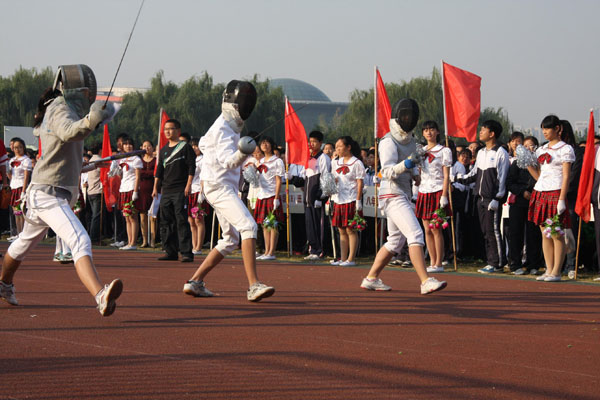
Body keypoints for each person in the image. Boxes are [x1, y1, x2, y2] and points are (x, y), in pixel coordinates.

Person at [0, 66, 122, 316]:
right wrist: (91, 119)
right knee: (79, 239)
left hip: (47, 191)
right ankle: (100, 295)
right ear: (77, 90)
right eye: (87, 91)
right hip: (48, 193)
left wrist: (88, 164)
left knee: (23, 243)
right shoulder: (59, 108)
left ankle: (3, 283)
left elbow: (61, 153)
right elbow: (68, 133)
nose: (89, 96)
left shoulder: (62, 109)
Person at [183, 80, 275, 302]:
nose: (246, 106)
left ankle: (195, 281)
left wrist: (242, 154)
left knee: (230, 239)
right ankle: (253, 285)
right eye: (244, 102)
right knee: (249, 226)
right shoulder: (223, 128)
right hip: (219, 186)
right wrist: (244, 152)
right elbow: (227, 162)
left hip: (220, 185)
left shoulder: (225, 125)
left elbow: (206, 146)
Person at [360, 98, 447, 294]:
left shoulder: (411, 140)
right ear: (398, 117)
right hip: (392, 194)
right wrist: (407, 164)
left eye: (411, 116)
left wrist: (415, 173)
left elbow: (412, 163)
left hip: (403, 193)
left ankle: (371, 278)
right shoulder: (388, 141)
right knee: (415, 234)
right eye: (405, 116)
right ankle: (425, 281)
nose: (408, 119)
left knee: (394, 241)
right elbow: (387, 171)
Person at [455, 120, 509, 274]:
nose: (481, 132)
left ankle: (498, 263)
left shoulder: (500, 153)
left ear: (492, 134)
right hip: (479, 198)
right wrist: (458, 178)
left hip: (492, 199)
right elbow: (474, 174)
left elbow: (502, 178)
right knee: (485, 231)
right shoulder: (481, 153)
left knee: (493, 231)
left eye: (484, 129)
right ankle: (490, 260)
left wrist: (497, 198)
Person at [526, 115, 575, 282]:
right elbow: (538, 174)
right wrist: (527, 163)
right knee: (544, 232)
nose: (545, 132)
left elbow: (566, 175)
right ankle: (548, 269)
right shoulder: (541, 149)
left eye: (547, 128)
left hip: (556, 192)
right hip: (541, 191)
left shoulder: (565, 149)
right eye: (543, 129)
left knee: (556, 233)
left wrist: (562, 199)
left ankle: (556, 271)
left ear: (557, 129)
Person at [152, 119, 196, 262]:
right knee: (166, 221)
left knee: (181, 220)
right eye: (166, 129)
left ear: (178, 130)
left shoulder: (185, 147)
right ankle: (170, 251)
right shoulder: (163, 150)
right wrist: (155, 187)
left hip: (180, 189)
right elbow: (159, 171)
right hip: (166, 190)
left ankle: (186, 253)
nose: (168, 132)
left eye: (170, 129)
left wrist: (188, 185)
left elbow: (191, 167)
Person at [288, 131, 331, 260]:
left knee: (319, 225)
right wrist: (291, 178)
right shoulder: (307, 158)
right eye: (310, 141)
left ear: (320, 143)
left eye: (314, 142)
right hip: (307, 199)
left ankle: (320, 250)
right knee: (310, 225)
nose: (311, 144)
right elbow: (303, 180)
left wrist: (321, 196)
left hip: (317, 200)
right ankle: (313, 249)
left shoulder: (323, 158)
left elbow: (326, 179)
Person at [415, 121, 451, 273]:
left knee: (436, 228)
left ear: (437, 132)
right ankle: (431, 261)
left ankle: (439, 263)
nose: (429, 132)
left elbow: (446, 175)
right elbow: (418, 173)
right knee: (426, 229)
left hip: (437, 190)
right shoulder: (420, 151)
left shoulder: (444, 150)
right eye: (426, 130)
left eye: (431, 129)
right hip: (424, 191)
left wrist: (444, 195)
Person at [506, 136, 543, 275]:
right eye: (525, 146)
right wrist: (522, 192)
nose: (528, 148)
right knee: (516, 233)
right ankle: (515, 264)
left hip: (535, 202)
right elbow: (509, 183)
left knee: (534, 234)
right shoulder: (517, 164)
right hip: (519, 202)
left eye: (531, 146)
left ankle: (533, 264)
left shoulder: (540, 163)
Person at [330, 136, 365, 266]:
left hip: (351, 199)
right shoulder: (335, 162)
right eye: (336, 147)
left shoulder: (356, 163)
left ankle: (351, 259)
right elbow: (333, 178)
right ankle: (343, 258)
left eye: (340, 146)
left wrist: (358, 200)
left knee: (351, 230)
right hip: (339, 199)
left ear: (348, 147)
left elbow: (360, 182)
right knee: (341, 230)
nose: (337, 149)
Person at [254, 136, 285, 261]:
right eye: (262, 143)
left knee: (273, 224)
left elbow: (278, 180)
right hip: (262, 195)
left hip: (272, 195)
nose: (264, 145)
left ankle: (272, 252)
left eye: (267, 143)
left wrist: (276, 198)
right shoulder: (260, 161)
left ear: (272, 145)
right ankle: (266, 251)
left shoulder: (277, 161)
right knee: (264, 224)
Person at [111, 136, 142, 250]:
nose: (128, 146)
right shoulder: (122, 159)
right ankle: (129, 242)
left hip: (132, 189)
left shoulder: (136, 159)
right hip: (123, 189)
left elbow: (138, 176)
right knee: (127, 218)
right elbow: (120, 175)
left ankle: (133, 243)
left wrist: (135, 191)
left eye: (130, 144)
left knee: (133, 217)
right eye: (126, 144)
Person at [8, 137, 32, 237]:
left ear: (23, 148)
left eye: (20, 147)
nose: (17, 149)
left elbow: (26, 176)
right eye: (15, 147)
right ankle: (18, 234)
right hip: (13, 187)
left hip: (21, 187)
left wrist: (23, 191)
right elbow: (10, 174)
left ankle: (23, 234)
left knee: (22, 212)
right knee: (16, 212)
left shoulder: (26, 160)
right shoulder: (11, 160)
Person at [188, 137, 208, 255]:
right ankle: (194, 245)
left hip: (198, 191)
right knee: (191, 221)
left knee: (198, 219)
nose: (194, 148)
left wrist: (202, 192)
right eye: (192, 146)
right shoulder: (188, 159)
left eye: (196, 146)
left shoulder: (203, 159)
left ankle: (198, 247)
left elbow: (204, 176)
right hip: (189, 192)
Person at [138, 140, 157, 248]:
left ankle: (153, 240)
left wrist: (145, 173)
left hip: (153, 189)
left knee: (153, 217)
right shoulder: (139, 161)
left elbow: (156, 173)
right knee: (142, 216)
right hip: (142, 190)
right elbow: (139, 173)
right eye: (144, 146)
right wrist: (148, 173)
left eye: (149, 146)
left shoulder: (156, 160)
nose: (147, 148)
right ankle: (144, 240)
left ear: (152, 147)